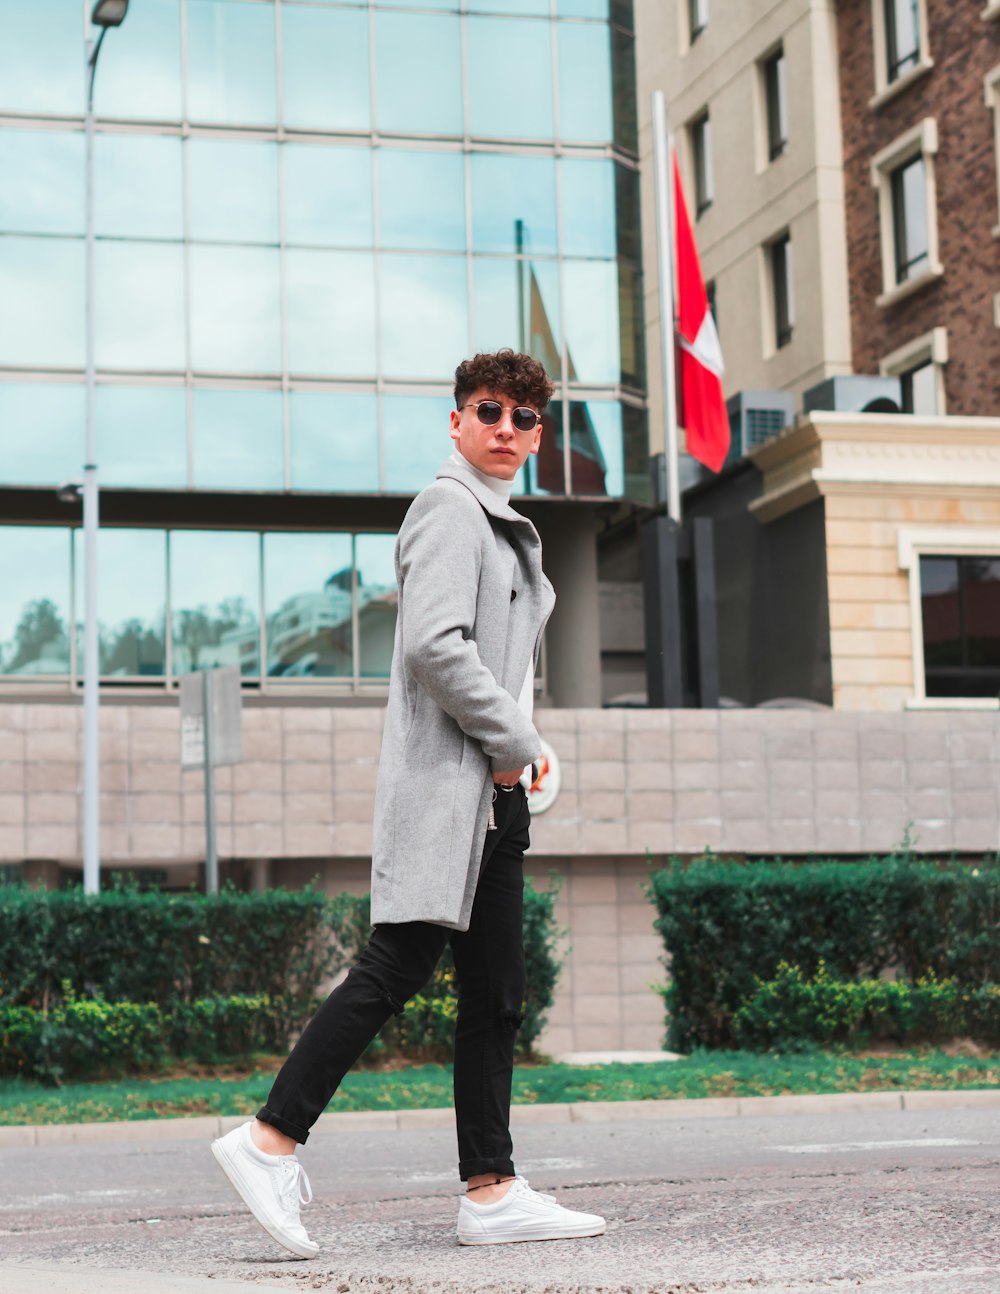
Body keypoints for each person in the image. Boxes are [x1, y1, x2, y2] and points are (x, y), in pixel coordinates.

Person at [211, 349, 605, 1258]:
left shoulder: (499, 520)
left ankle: (492, 1189)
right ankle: (268, 1139)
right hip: (452, 793)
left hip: (497, 801)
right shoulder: (448, 510)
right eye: (490, 411)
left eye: (525, 420)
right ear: (458, 421)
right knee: (395, 968)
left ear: (539, 437)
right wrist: (521, 741)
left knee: (495, 996)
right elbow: (434, 645)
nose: (507, 429)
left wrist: (524, 758)